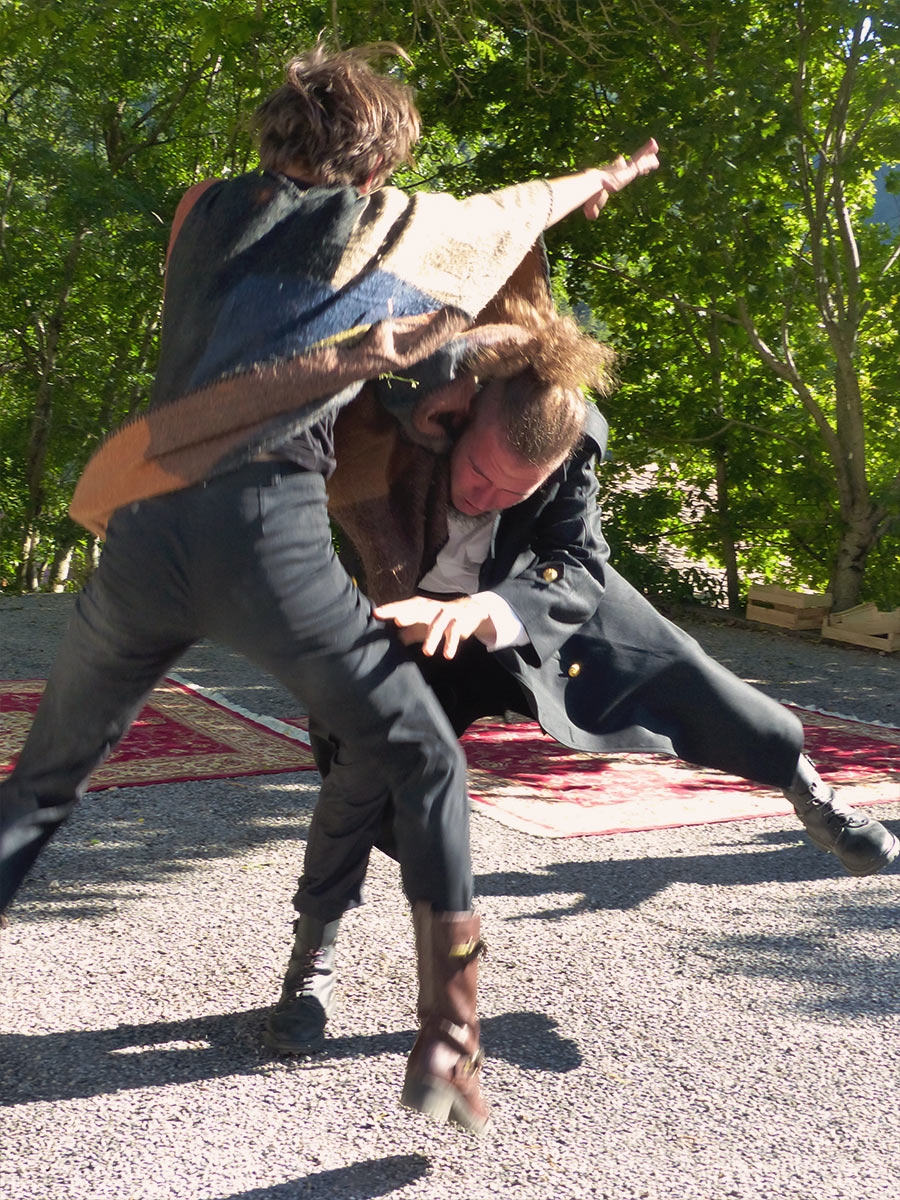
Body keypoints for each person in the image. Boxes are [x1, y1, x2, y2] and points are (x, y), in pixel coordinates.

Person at [0, 41, 659, 1134]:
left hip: (145, 536)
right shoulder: (390, 225)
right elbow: (511, 210)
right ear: (381, 165)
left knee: (41, 783)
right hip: (265, 537)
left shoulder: (199, 209)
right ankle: (449, 1036)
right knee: (426, 758)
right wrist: (603, 178)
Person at [264, 306, 899, 1073]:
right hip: (413, 622)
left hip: (526, 606)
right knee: (361, 770)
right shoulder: (388, 412)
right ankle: (310, 968)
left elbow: (578, 563)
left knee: (682, 671)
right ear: (458, 419)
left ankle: (814, 798)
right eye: (478, 474)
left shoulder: (569, 448)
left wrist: (489, 611)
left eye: (515, 489)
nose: (487, 498)